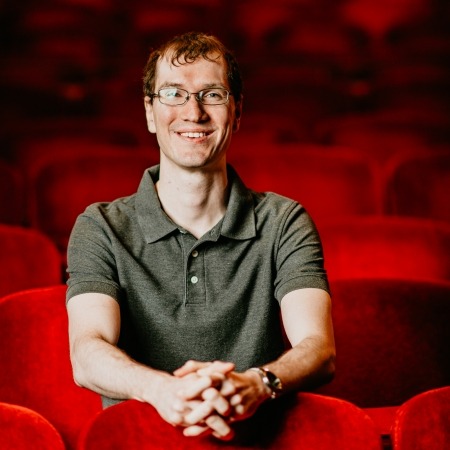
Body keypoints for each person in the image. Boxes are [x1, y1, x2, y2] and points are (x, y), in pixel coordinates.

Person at [66, 31, 335, 442]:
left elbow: (319, 347)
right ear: (150, 113)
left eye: (212, 94)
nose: (193, 112)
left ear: (237, 111)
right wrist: (163, 391)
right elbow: (87, 353)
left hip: (261, 437)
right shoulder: (100, 226)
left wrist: (257, 384)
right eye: (173, 93)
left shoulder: (285, 220)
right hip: (141, 441)